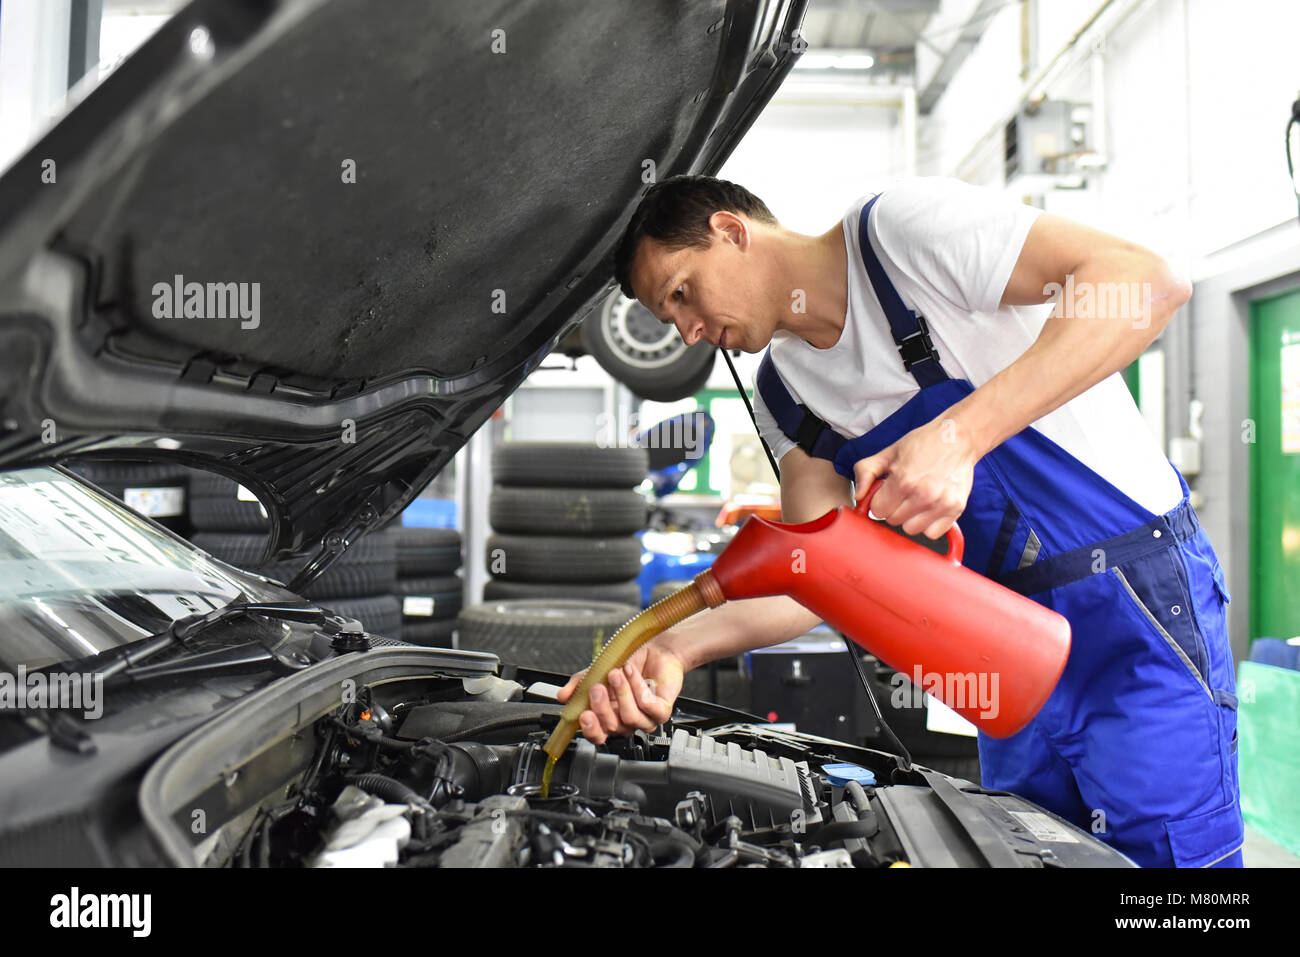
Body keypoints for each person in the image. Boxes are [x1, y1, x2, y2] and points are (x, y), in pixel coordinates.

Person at [558, 174, 1242, 868]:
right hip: (1000, 644)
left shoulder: (898, 236)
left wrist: (959, 436)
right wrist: (672, 649)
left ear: (731, 233)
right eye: (672, 318)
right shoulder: (785, 393)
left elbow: (1147, 280)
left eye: (682, 292)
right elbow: (811, 579)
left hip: (1133, 611)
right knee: (1026, 854)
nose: (689, 330)